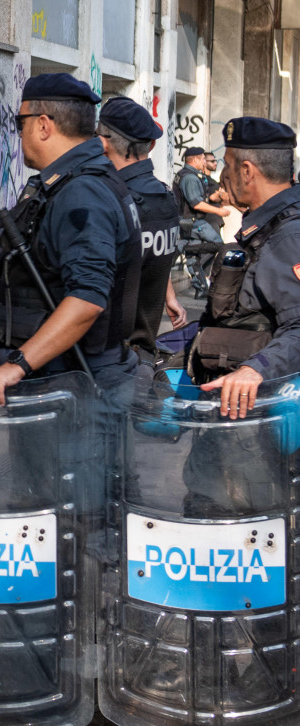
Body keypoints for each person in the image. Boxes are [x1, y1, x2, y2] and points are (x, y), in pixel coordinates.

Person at [0, 72, 143, 404]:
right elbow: (5, 248)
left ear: (43, 125)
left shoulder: (83, 193)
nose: (18, 132)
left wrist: (17, 365)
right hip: (57, 379)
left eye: (19, 122)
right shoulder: (60, 185)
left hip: (76, 388)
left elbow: (87, 299)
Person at [181, 118, 300, 517]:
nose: (223, 174)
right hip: (236, 417)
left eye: (228, 165)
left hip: (255, 427)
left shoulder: (287, 236)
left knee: (240, 529)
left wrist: (255, 370)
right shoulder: (266, 228)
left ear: (247, 170)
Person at [95, 97, 187, 362]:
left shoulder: (111, 199)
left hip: (105, 359)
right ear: (153, 144)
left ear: (102, 143)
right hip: (142, 353)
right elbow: (149, 250)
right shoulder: (165, 197)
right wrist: (168, 294)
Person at [175, 146, 230, 246]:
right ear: (196, 159)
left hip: (189, 223)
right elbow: (196, 204)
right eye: (203, 159)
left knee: (194, 252)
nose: (204, 162)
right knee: (218, 245)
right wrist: (219, 211)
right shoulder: (190, 178)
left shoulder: (189, 174)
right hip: (192, 223)